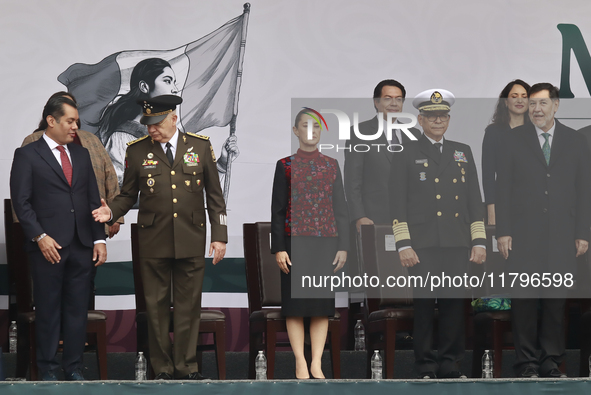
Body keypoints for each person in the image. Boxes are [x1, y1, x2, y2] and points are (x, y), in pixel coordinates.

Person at [92, 94, 227, 380]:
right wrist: (111, 211)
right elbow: (128, 194)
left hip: (191, 237)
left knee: (188, 306)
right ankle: (163, 368)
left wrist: (220, 236)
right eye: (148, 124)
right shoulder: (137, 151)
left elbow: (215, 197)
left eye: (156, 124)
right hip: (153, 240)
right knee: (155, 307)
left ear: (173, 118)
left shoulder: (200, 148)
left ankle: (187, 367)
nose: (151, 129)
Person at [389, 89, 486, 379]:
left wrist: (478, 240)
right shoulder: (407, 151)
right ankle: (426, 366)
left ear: (448, 119)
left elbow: (473, 200)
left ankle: (451, 365)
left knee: (455, 306)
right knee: (424, 307)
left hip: (457, 242)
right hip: (422, 244)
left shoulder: (462, 150)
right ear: (420, 119)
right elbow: (397, 203)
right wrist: (403, 243)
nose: (438, 121)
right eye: (431, 116)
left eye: (443, 116)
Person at [496, 83, 591, 378]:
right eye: (532, 103)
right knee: (524, 300)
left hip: (563, 234)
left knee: (554, 301)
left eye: (542, 103)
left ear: (556, 105)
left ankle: (551, 362)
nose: (536, 109)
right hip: (522, 235)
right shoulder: (513, 139)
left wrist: (582, 232)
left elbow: (583, 189)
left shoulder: (575, 141)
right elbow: (503, 188)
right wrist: (503, 231)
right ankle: (526, 364)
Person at [10, 95, 107, 381]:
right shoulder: (27, 154)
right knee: (49, 310)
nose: (75, 126)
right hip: (47, 247)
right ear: (51, 121)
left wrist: (99, 239)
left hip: (81, 245)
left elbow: (93, 199)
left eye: (77, 121)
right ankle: (49, 370)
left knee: (78, 310)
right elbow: (21, 202)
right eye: (69, 121)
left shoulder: (81, 154)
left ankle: (74, 368)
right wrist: (40, 236)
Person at [271, 110, 348, 379]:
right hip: (293, 245)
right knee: (294, 305)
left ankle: (316, 361)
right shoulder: (285, 165)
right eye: (305, 126)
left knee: (320, 305)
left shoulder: (331, 165)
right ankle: (300, 361)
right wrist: (278, 247)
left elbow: (341, 209)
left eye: (316, 126)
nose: (311, 131)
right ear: (295, 131)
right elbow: (277, 211)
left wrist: (343, 246)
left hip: (325, 243)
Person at [21, 91, 123, 239]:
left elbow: (111, 178)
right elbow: (22, 192)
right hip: (49, 227)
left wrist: (115, 215)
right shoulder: (33, 142)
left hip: (91, 222)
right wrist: (29, 229)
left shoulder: (91, 140)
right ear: (51, 117)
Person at [344, 79, 421, 232]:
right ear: (376, 102)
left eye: (399, 99)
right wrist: (359, 216)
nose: (394, 103)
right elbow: (352, 180)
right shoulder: (360, 132)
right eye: (388, 98)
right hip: (373, 220)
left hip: (410, 221)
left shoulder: (414, 134)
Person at [481, 79, 530, 225]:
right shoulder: (493, 132)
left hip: (535, 206)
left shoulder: (537, 131)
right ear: (505, 101)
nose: (519, 100)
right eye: (514, 96)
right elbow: (488, 176)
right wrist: (492, 212)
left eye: (524, 96)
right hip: (505, 205)